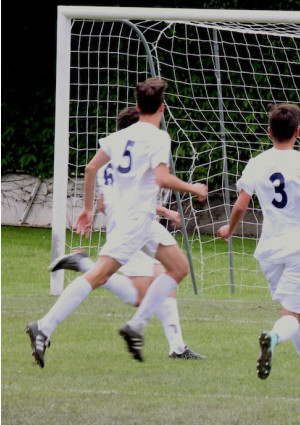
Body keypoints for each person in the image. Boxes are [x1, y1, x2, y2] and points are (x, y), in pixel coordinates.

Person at [26, 78, 208, 367]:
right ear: (162, 109)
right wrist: (194, 188)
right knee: (99, 276)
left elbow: (90, 168)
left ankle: (137, 326)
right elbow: (161, 178)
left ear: (137, 107)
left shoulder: (119, 137)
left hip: (141, 219)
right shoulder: (159, 137)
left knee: (178, 268)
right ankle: (44, 327)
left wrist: (87, 209)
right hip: (133, 222)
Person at [217, 103, 300, 391]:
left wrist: (230, 229)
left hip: (269, 251)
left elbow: (241, 205)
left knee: (298, 312)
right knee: (291, 317)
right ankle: (272, 337)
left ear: (270, 132)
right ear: (297, 132)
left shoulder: (257, 162)